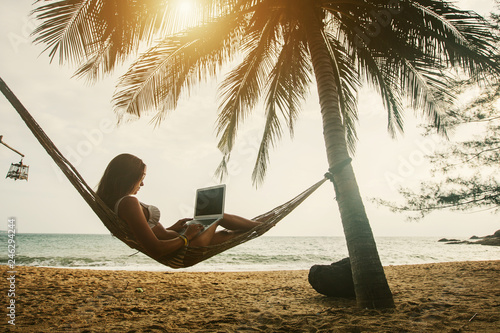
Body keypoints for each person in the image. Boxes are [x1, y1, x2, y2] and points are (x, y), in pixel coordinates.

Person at [96, 153, 260, 260]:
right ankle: (264, 224)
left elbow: (149, 232)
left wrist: (174, 228)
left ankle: (262, 224)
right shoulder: (128, 202)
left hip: (180, 240)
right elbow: (156, 249)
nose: (143, 183)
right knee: (217, 215)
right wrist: (186, 236)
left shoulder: (118, 204)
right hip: (185, 247)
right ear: (127, 177)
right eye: (141, 177)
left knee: (229, 233)